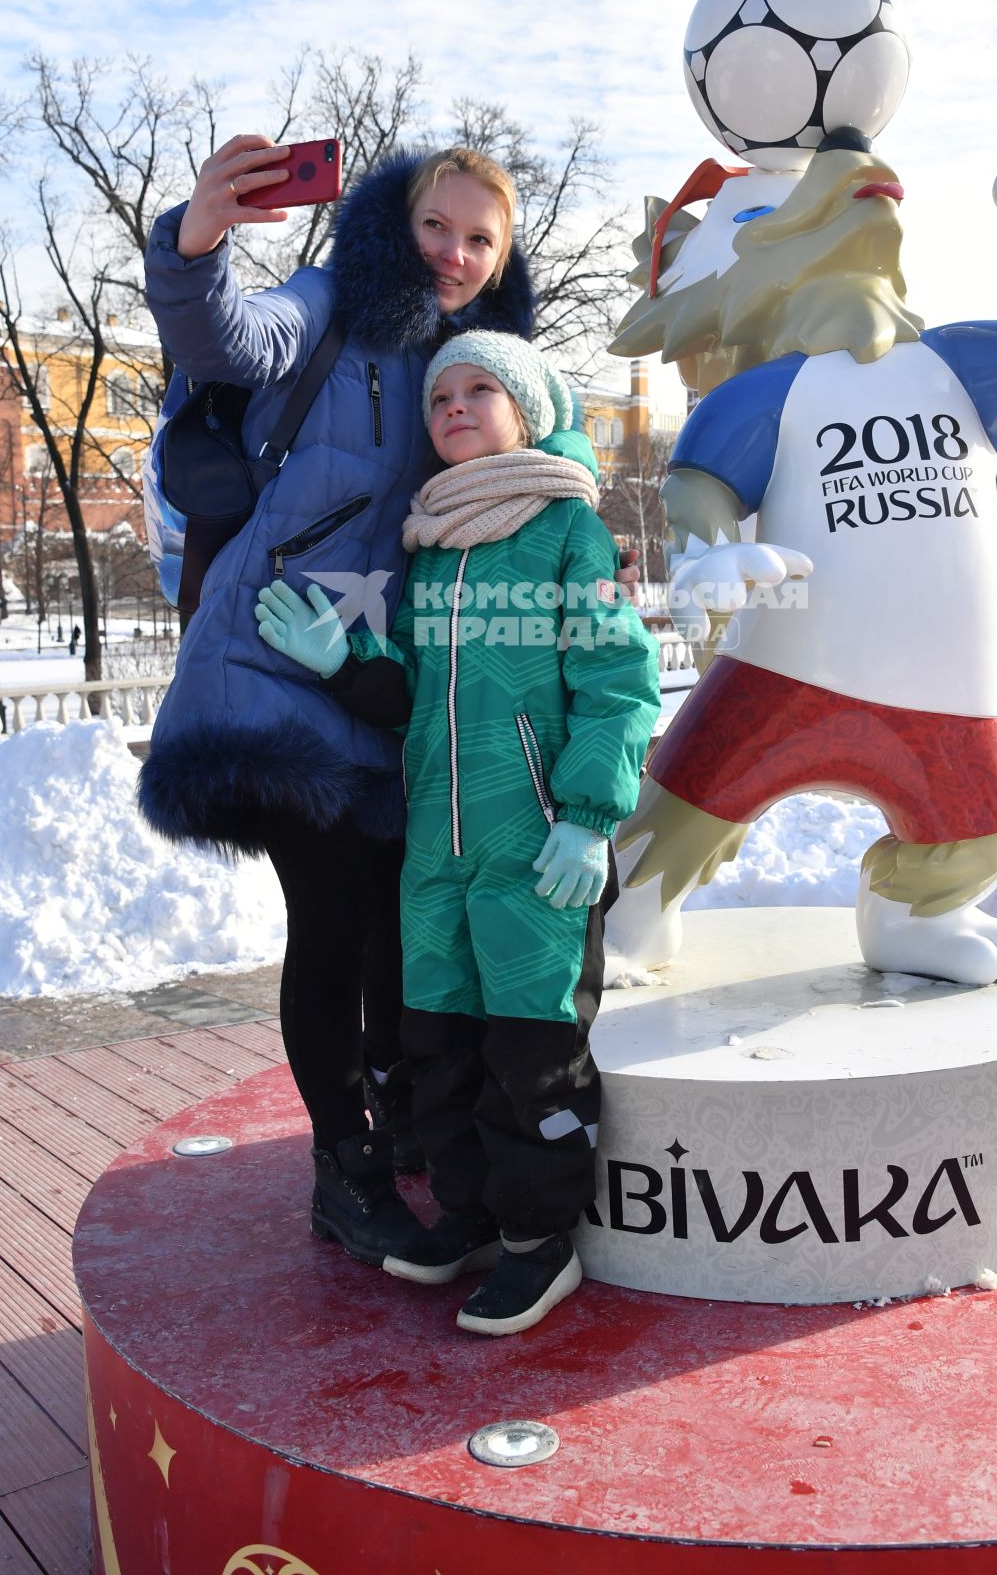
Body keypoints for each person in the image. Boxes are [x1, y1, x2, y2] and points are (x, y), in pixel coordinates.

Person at [138, 135, 547, 1266]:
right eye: (435, 226)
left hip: (374, 679)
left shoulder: (476, 365)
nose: (453, 253)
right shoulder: (332, 304)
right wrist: (196, 241)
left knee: (390, 923)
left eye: (479, 238)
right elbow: (228, 336)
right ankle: (341, 1166)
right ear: (394, 224)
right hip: (267, 658)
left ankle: (403, 1111)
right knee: (329, 918)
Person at [255, 334, 661, 1334]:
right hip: (435, 854)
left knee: (530, 1055)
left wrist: (586, 820)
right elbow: (416, 698)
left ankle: (538, 1243)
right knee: (435, 1046)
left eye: (481, 389)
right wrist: (342, 663)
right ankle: (473, 1217)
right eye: (440, 393)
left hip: (536, 850)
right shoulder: (432, 543)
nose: (454, 404)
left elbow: (618, 682)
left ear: (527, 413)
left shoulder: (566, 529)